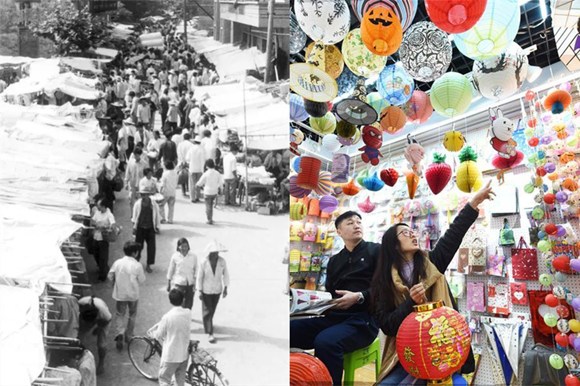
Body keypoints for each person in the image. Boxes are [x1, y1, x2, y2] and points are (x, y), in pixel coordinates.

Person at [371, 181, 495, 386]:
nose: (412, 233)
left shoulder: (432, 264)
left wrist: (473, 203)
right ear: (393, 245)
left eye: (412, 231)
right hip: (405, 355)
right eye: (404, 233)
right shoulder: (383, 283)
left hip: (443, 349)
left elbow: (453, 235)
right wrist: (410, 301)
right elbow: (387, 326)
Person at [290, 210, 381, 385]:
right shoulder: (334, 261)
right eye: (350, 222)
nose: (356, 225)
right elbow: (331, 293)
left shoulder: (376, 251)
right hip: (333, 317)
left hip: (363, 320)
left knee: (326, 342)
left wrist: (360, 297)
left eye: (358, 221)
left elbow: (386, 289)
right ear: (339, 231)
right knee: (290, 329)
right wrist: (316, 302)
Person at [108, 241, 146, 351]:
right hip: (133, 294)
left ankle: (120, 332)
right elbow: (142, 280)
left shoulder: (118, 263)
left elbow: (110, 276)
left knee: (120, 314)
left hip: (120, 294)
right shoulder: (137, 265)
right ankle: (129, 336)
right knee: (132, 314)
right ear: (135, 253)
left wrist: (115, 283)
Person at [150, 289, 191, 386]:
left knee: (164, 380)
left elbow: (158, 335)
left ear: (170, 301)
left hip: (171, 357)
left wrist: (152, 334)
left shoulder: (167, 317)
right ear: (183, 300)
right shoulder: (188, 313)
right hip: (184, 355)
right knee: (180, 382)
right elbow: (177, 321)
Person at [198, 240, 230, 344]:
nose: (216, 254)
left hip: (217, 290)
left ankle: (208, 323)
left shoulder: (222, 261)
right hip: (206, 289)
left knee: (212, 310)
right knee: (207, 310)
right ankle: (210, 332)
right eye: (213, 252)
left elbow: (226, 275)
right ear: (210, 253)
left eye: (217, 252)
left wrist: (225, 288)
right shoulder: (203, 262)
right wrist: (199, 290)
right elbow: (199, 277)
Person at [78, 294, 113, 375]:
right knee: (80, 337)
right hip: (85, 318)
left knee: (102, 345)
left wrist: (99, 328)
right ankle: (79, 357)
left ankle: (101, 363)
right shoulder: (80, 303)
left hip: (103, 320)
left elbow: (107, 320)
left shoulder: (103, 312)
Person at [132, 186, 161, 273]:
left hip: (150, 228)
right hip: (140, 228)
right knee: (138, 247)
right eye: (142, 195)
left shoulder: (153, 204)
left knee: (151, 247)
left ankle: (149, 264)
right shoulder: (137, 204)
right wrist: (134, 227)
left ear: (148, 195)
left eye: (145, 195)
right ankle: (136, 262)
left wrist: (157, 226)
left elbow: (157, 216)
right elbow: (134, 217)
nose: (143, 197)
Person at [167, 238, 198, 309]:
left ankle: (187, 316)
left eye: (186, 246)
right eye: (182, 246)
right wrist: (168, 283)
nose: (184, 248)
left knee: (189, 303)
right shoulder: (175, 256)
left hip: (190, 283)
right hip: (179, 283)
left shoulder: (193, 256)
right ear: (178, 247)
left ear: (188, 246)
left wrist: (195, 283)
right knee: (179, 303)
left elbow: (196, 269)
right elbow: (171, 270)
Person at [91, 198, 116, 281]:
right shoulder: (97, 212)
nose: (98, 207)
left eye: (99, 206)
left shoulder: (109, 215)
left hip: (103, 239)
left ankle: (103, 275)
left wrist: (104, 226)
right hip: (96, 237)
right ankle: (103, 267)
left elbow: (113, 225)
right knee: (96, 254)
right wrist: (96, 225)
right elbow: (92, 221)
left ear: (104, 206)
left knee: (103, 257)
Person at [196, 159, 224, 225]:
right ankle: (211, 218)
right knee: (211, 205)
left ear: (207, 166)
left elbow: (200, 183)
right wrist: (221, 190)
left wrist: (197, 185)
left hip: (207, 192)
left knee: (208, 206)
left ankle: (209, 219)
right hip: (214, 192)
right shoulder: (217, 173)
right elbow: (221, 183)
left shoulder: (206, 174)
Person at [188, 135, 205, 203]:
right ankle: (197, 197)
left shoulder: (191, 149)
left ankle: (193, 198)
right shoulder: (202, 149)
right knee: (198, 183)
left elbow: (187, 158)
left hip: (192, 168)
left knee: (192, 184)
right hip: (200, 169)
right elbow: (204, 159)